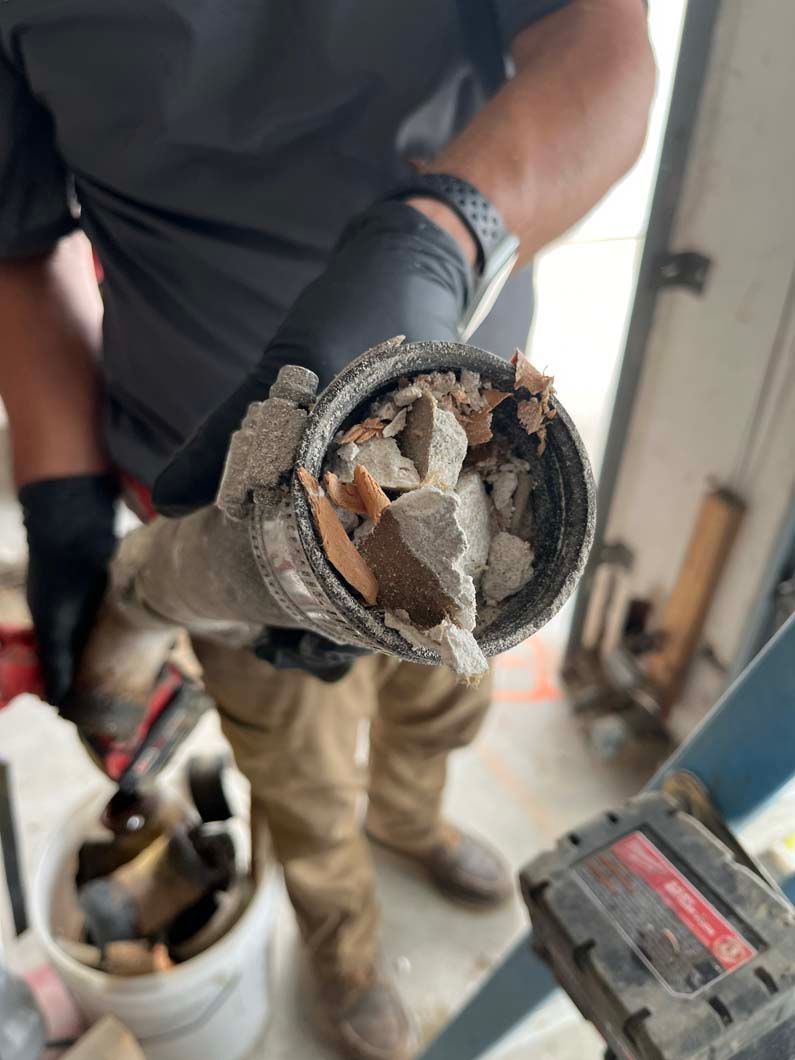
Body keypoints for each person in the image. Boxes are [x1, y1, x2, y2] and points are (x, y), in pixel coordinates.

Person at [0, 2, 654, 1056]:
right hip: (207, 494)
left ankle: (409, 821)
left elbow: (604, 46)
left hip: (475, 468)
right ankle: (342, 944)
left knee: (441, 702)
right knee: (296, 774)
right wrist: (64, 500)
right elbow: (17, 253)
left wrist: (438, 233)